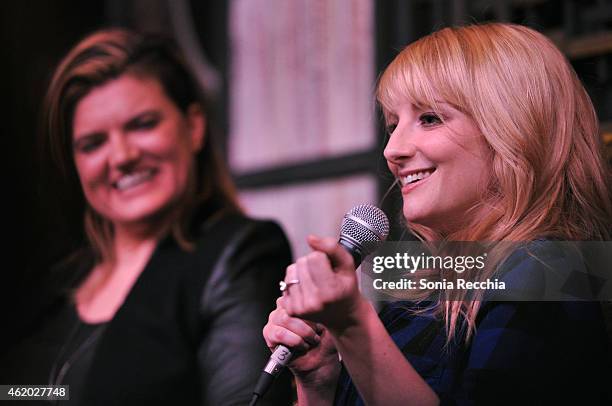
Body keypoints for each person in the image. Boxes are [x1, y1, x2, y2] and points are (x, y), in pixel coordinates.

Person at [263, 23, 612, 405]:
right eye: (393, 125)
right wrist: (319, 383)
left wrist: (352, 325)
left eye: (429, 118)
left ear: (516, 129)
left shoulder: (548, 270)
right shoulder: (420, 302)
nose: (392, 149)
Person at [5, 29, 292, 405]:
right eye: (93, 144)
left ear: (194, 127)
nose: (121, 156)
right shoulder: (52, 281)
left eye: (142, 124)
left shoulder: (241, 254)